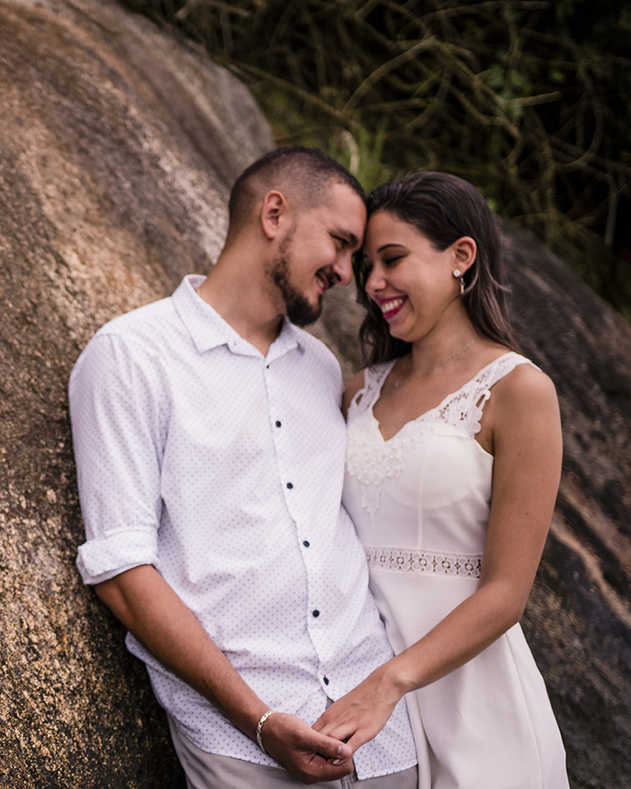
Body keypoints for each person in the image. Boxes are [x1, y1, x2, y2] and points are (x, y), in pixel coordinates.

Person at [69, 146, 418, 788]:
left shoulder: (319, 370)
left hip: (384, 738)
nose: (348, 273)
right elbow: (121, 570)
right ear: (275, 213)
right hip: (245, 741)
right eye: (341, 244)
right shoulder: (131, 356)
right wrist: (257, 719)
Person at [314, 171, 569, 788]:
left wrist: (391, 681)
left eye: (393, 259)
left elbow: (507, 593)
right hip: (358, 703)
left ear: (461, 257)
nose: (372, 283)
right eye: (367, 264)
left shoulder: (519, 392)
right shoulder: (356, 391)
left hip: (473, 705)